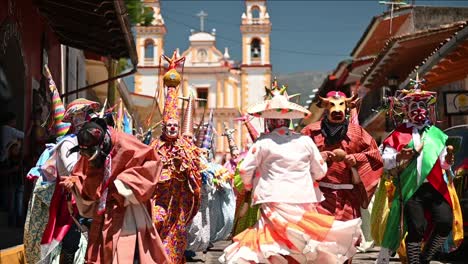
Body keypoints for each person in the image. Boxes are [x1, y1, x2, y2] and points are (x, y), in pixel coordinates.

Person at [220, 83, 361, 263]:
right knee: (301, 239)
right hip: (302, 200)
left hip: (272, 199)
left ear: (269, 121)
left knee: (272, 240)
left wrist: (249, 186)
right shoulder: (305, 141)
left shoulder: (263, 143)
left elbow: (244, 169)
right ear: (289, 120)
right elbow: (320, 172)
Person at [375, 76, 463, 264]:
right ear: (405, 109)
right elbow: (383, 161)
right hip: (410, 188)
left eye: (422, 105)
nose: (419, 110)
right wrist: (400, 157)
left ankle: (424, 259)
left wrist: (448, 160)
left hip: (435, 188)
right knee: (416, 227)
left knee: (445, 222)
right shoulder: (398, 134)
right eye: (414, 106)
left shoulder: (437, 134)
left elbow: (443, 165)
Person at [61, 118, 169, 263]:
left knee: (128, 253)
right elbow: (82, 175)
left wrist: (125, 182)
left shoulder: (124, 142)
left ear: (103, 142)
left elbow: (152, 163)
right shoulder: (89, 146)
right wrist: (74, 182)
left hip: (129, 208)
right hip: (104, 211)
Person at [151, 51, 203, 263]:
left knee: (177, 235)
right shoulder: (155, 145)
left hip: (179, 200)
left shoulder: (185, 146)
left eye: (175, 125)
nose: (172, 129)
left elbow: (195, 170)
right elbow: (147, 166)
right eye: (169, 125)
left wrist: (185, 166)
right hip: (160, 197)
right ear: (163, 126)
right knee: (156, 223)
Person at [301, 91, 383, 222]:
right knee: (321, 237)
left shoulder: (359, 133)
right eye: (331, 105)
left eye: (341, 104)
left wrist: (356, 159)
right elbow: (296, 157)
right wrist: (317, 157)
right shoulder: (310, 131)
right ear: (325, 106)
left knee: (348, 237)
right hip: (318, 196)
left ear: (347, 106)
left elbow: (375, 156)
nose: (337, 110)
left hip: (348, 198)